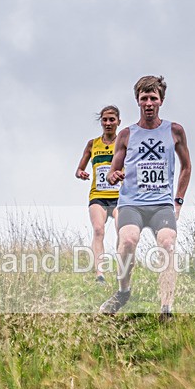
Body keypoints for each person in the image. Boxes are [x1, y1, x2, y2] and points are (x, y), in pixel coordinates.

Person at [99, 75, 192, 322]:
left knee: (168, 244)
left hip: (161, 203)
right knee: (128, 241)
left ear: (161, 100)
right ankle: (123, 292)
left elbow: (186, 167)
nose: (148, 103)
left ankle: (166, 309)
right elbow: (111, 172)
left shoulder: (175, 131)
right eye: (144, 98)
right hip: (132, 203)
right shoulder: (127, 134)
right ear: (137, 101)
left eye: (153, 98)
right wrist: (113, 175)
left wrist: (178, 201)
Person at [74, 105, 122, 283]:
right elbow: (79, 169)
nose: (108, 123)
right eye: (105, 120)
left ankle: (120, 271)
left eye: (112, 120)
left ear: (118, 122)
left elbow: (134, 166)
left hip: (119, 196)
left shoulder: (123, 142)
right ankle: (99, 274)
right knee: (98, 230)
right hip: (98, 195)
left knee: (122, 231)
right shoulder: (92, 144)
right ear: (101, 122)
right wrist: (81, 173)